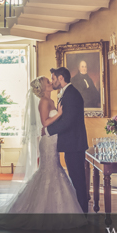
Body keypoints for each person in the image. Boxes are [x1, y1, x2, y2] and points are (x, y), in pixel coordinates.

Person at [0, 76, 85, 229]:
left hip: (54, 140)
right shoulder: (44, 102)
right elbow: (45, 123)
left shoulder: (51, 101)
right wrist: (58, 114)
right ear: (42, 88)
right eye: (47, 82)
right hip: (48, 142)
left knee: (54, 171)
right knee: (49, 171)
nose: (50, 83)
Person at [45, 66, 89, 214]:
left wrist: (48, 130)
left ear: (61, 78)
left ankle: (83, 213)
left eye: (53, 78)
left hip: (75, 144)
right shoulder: (68, 93)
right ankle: (80, 211)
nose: (52, 82)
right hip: (73, 144)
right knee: (75, 179)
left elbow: (68, 121)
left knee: (78, 180)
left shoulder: (71, 94)